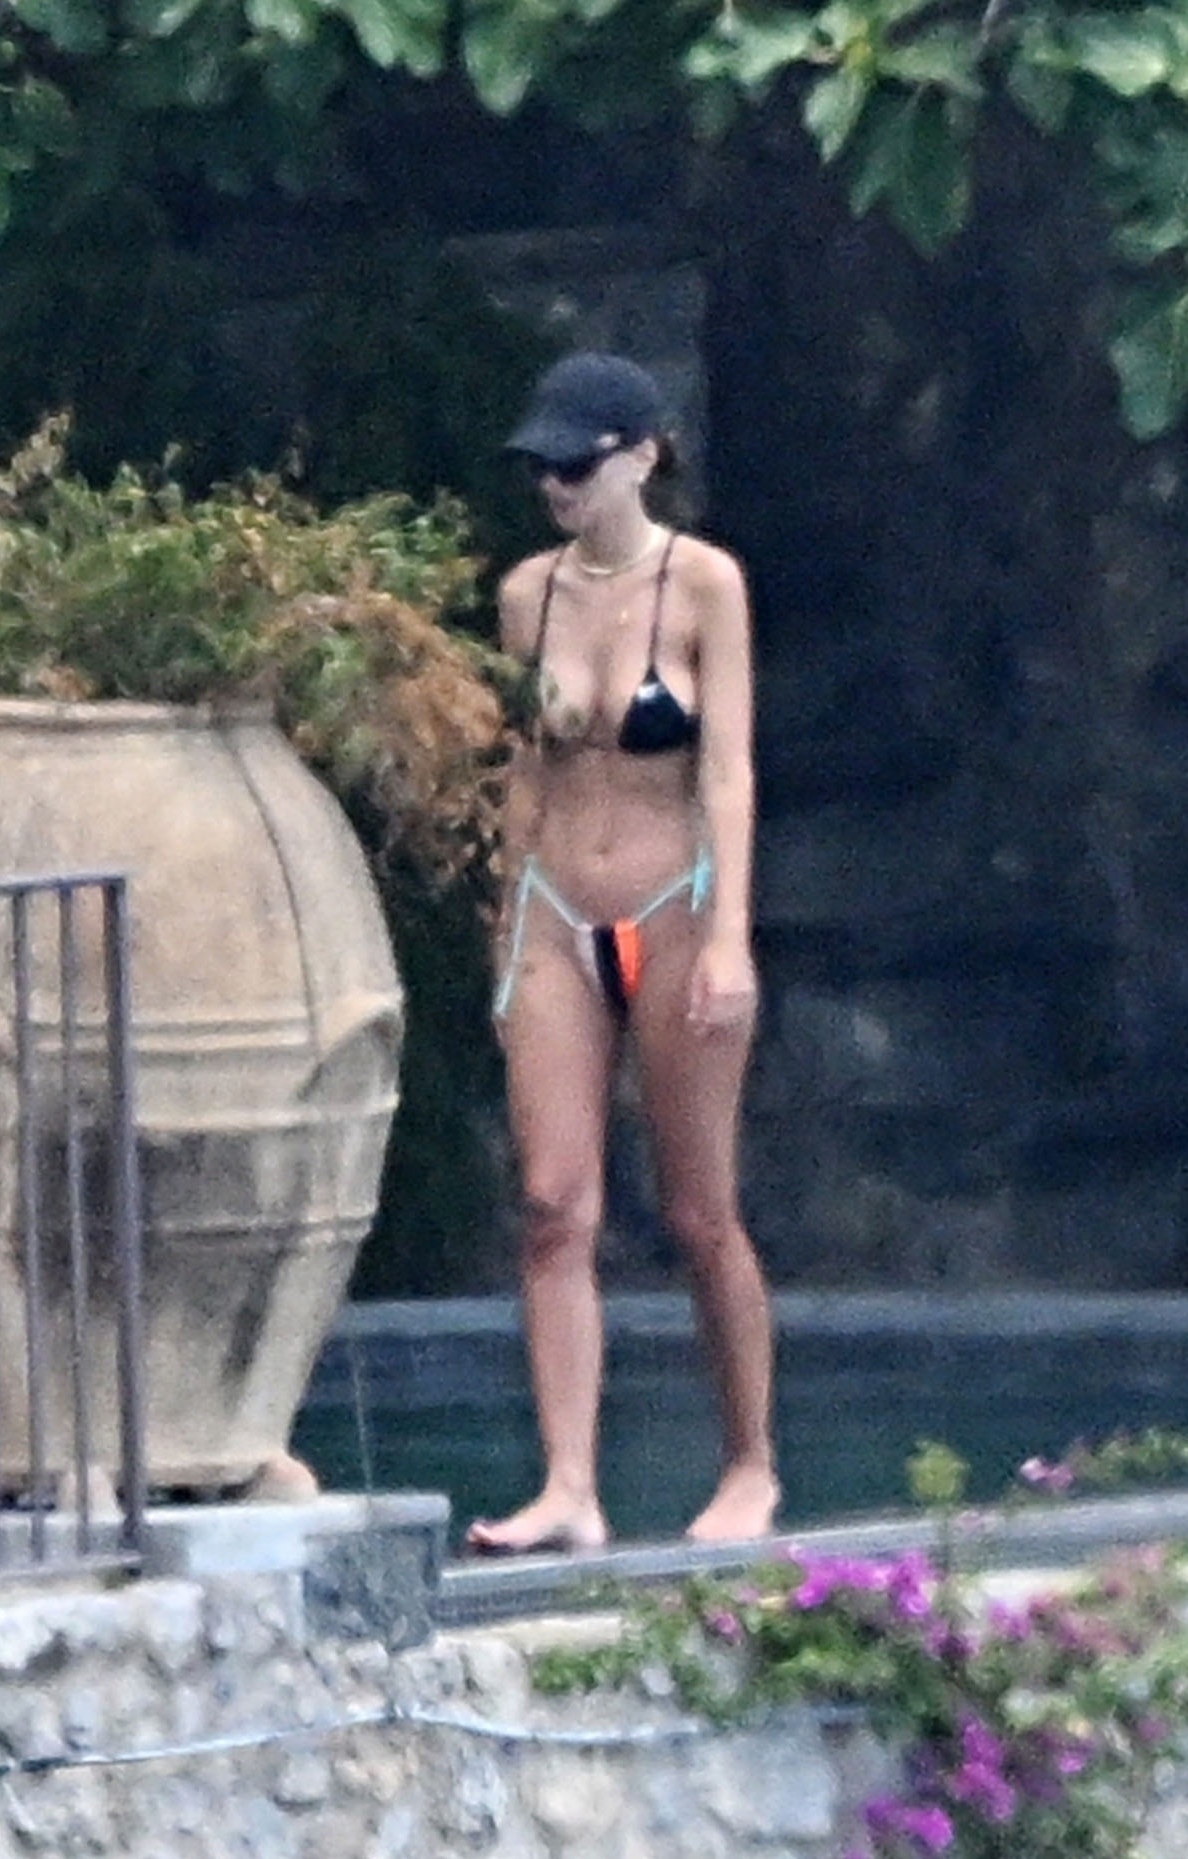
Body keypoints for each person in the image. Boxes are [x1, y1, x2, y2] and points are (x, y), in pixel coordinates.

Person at [466, 352, 779, 1553]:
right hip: (556, 906)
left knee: (698, 1211)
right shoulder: (525, 595)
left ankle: (748, 1460)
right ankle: (567, 1483)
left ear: (641, 455)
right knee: (552, 1203)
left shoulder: (703, 583)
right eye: (540, 467)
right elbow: (522, 770)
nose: (554, 485)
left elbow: (727, 770)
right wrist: (504, 923)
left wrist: (730, 936)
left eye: (575, 463)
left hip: (672, 902)